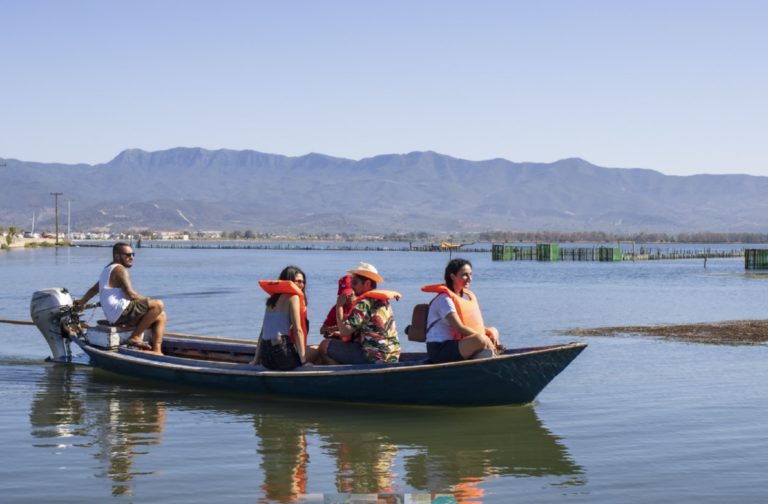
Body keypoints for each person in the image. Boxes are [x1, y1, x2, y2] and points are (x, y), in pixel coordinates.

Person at [75, 242, 167, 354]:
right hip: (121, 312)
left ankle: (157, 350)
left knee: (161, 315)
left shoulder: (107, 269)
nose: (131, 257)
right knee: (158, 305)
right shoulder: (120, 269)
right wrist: (148, 301)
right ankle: (135, 337)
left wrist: (82, 302)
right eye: (128, 255)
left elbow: (94, 290)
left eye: (133, 254)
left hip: (114, 315)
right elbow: (131, 295)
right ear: (117, 256)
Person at [422, 258, 500, 363]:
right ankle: (482, 355)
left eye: (471, 274)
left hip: (455, 344)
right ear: (453, 276)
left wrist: (488, 332)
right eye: (465, 275)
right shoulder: (444, 299)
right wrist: (484, 338)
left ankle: (486, 354)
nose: (469, 278)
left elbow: (470, 326)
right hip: (439, 348)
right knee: (480, 340)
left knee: (493, 330)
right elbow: (459, 327)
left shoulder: (461, 297)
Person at [323, 262, 401, 364]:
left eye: (355, 283)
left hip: (374, 357)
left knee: (324, 346)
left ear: (367, 284)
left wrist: (339, 306)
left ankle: (343, 377)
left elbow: (345, 332)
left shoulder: (364, 303)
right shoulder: (383, 301)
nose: (352, 286)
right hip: (392, 355)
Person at [251, 265, 318, 370]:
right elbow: (298, 330)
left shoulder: (271, 300)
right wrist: (303, 361)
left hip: (266, 358)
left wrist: (256, 359)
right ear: (289, 281)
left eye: (303, 282)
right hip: (281, 355)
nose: (302, 285)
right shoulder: (293, 297)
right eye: (298, 281)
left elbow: (262, 332)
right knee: (317, 351)